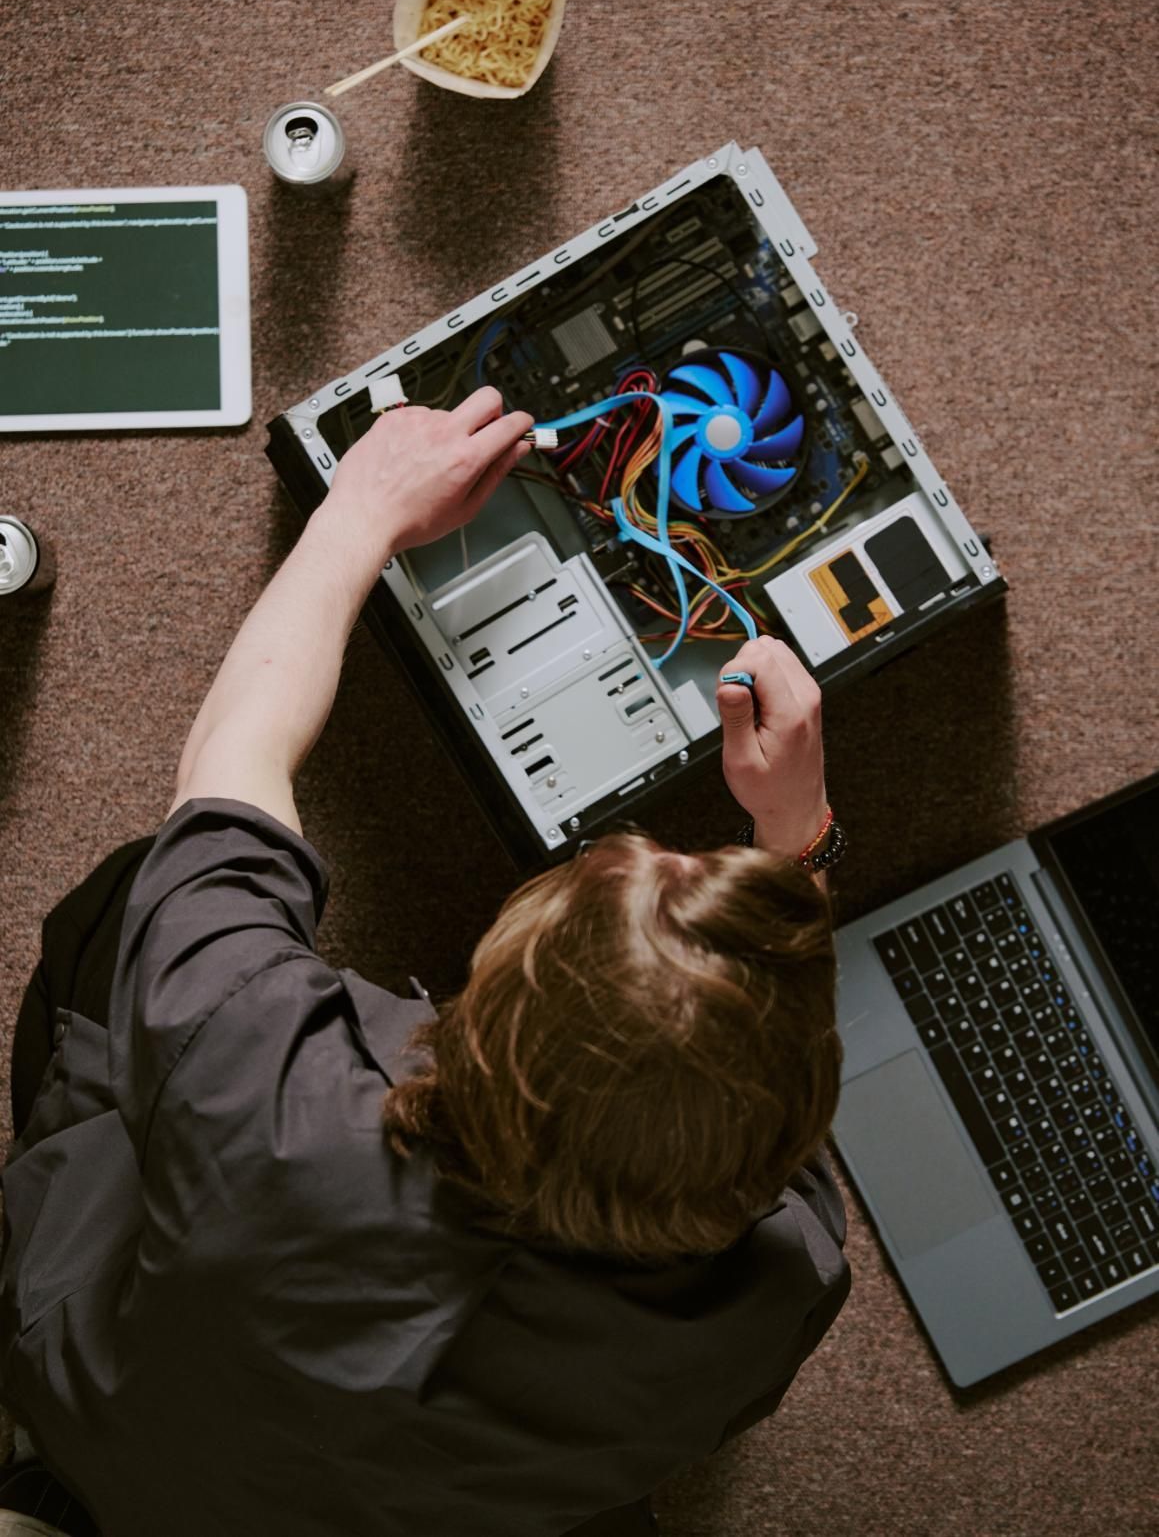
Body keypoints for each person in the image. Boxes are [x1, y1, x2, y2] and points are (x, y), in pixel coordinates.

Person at [0, 389, 851, 1537]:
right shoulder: (785, 1273)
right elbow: (776, 1040)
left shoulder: (259, 1079)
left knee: (134, 902)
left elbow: (231, 764)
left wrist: (357, 514)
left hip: (116, 1438)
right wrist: (796, 843)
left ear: (475, 1016)